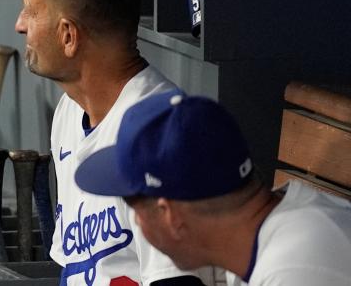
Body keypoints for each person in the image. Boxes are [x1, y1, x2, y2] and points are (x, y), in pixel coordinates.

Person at [14, 0, 212, 285]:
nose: (20, 24)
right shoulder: (69, 112)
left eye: (31, 11)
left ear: (68, 36)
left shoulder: (162, 137)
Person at [75, 91, 351, 286]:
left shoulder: (296, 269)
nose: (136, 222)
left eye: (134, 210)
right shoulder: (265, 241)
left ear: (169, 215)